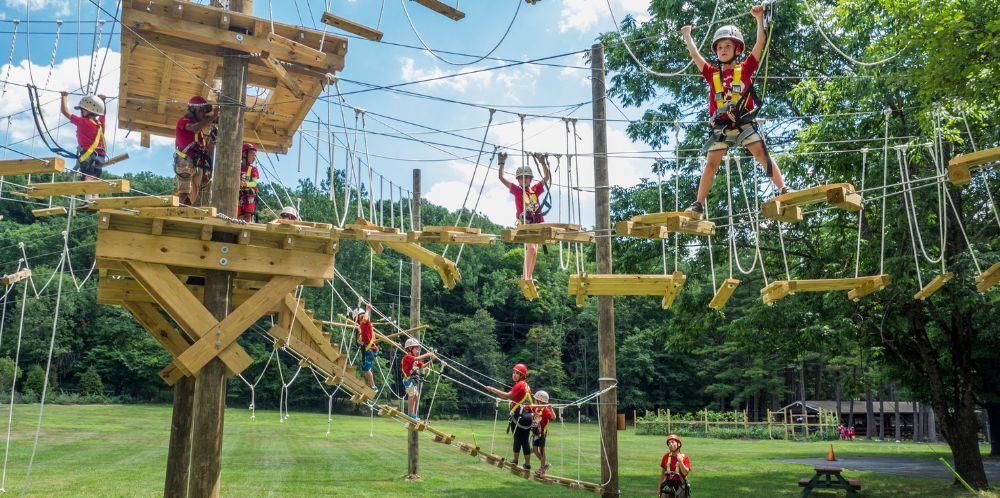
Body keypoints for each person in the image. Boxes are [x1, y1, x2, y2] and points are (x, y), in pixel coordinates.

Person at [680, 5, 789, 218]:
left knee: (761, 154)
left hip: (743, 123)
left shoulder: (746, 67)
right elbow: (694, 54)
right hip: (721, 126)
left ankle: (783, 188)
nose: (722, 50)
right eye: (719, 47)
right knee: (711, 164)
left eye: (727, 46)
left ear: (737, 49)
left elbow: (760, 44)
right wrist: (687, 35)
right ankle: (698, 204)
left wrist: (759, 20)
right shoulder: (711, 73)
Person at [497, 152, 551, 285]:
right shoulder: (516, 190)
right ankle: (525, 277)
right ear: (518, 180)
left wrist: (542, 162)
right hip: (525, 224)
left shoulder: (535, 189)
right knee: (531, 249)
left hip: (536, 224)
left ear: (530, 179)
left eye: (526, 177)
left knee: (535, 251)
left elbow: (547, 177)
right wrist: (501, 162)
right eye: (521, 178)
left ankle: (529, 276)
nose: (524, 179)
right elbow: (501, 178)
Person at [486, 363, 534, 471]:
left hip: (519, 416)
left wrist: (492, 389)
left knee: (517, 438)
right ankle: (527, 465)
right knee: (525, 441)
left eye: (518, 373)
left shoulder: (519, 385)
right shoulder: (526, 385)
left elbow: (507, 396)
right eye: (514, 372)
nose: (515, 375)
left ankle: (515, 461)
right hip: (528, 417)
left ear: (522, 376)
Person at [59, 92, 107, 201]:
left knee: (88, 177)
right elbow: (103, 114)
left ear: (86, 110)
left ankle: (88, 201)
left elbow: (65, 112)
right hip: (101, 156)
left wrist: (64, 96)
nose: (81, 112)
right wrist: (102, 101)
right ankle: (95, 200)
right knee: (94, 178)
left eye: (82, 110)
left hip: (88, 155)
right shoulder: (100, 124)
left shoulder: (83, 122)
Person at [174, 96, 218, 206]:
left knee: (192, 195)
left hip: (196, 164)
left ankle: (184, 212)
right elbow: (194, 128)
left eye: (205, 111)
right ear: (193, 109)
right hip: (185, 162)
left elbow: (202, 149)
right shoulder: (183, 121)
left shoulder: (200, 133)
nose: (204, 113)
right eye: (201, 110)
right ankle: (181, 213)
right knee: (184, 191)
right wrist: (213, 116)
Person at [401, 337, 435, 420]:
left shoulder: (416, 360)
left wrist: (431, 361)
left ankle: (411, 413)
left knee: (416, 396)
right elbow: (417, 358)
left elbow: (422, 366)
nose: (418, 351)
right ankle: (411, 414)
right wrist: (428, 354)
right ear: (410, 348)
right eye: (416, 348)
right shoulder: (407, 357)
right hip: (408, 380)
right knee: (413, 396)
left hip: (412, 380)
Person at [353, 304, 378, 392]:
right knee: (366, 368)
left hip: (369, 349)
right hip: (368, 349)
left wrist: (368, 309)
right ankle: (372, 385)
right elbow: (360, 340)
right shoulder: (362, 326)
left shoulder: (365, 323)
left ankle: (373, 386)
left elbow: (365, 319)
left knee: (367, 369)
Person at [659, 434, 691, 498]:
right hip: (668, 486)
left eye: (672, 442)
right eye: (669, 443)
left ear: (678, 444)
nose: (670, 444)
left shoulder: (684, 457)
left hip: (680, 487)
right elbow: (663, 475)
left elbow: (685, 473)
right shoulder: (666, 457)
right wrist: (659, 489)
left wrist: (680, 462)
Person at [531, 390, 555, 476]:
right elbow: (530, 409)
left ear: (540, 401)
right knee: (534, 449)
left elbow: (553, 417)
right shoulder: (536, 408)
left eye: (536, 400)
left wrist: (551, 408)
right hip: (536, 433)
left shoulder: (546, 410)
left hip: (542, 434)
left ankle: (542, 468)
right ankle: (545, 464)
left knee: (541, 451)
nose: (534, 401)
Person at [239, 143, 260, 222]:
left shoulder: (253, 169)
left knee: (250, 193)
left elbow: (254, 183)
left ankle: (248, 220)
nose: (254, 157)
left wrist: (245, 184)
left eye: (255, 155)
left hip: (248, 198)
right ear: (244, 154)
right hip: (238, 196)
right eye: (252, 154)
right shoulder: (237, 167)